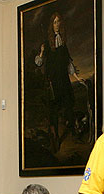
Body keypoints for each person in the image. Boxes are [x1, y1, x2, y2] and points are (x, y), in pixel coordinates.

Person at [35, 12, 80, 152]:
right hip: (53, 81)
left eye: (58, 21)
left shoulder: (63, 42)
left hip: (64, 79)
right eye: (54, 22)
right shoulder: (47, 43)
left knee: (69, 105)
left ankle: (74, 133)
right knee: (54, 109)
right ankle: (55, 138)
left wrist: (78, 78)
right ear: (51, 25)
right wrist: (42, 52)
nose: (57, 24)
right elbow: (38, 63)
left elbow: (68, 64)